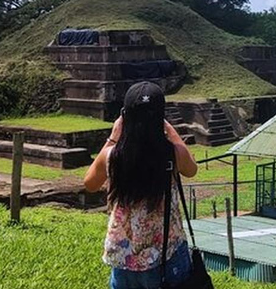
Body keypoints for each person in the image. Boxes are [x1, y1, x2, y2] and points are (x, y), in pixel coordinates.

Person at [84, 81, 198, 289]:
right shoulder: (172, 154)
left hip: (124, 257)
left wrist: (112, 138)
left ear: (124, 117)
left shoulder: (112, 156)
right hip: (166, 254)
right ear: (160, 118)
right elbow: (192, 170)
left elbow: (90, 184)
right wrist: (172, 133)